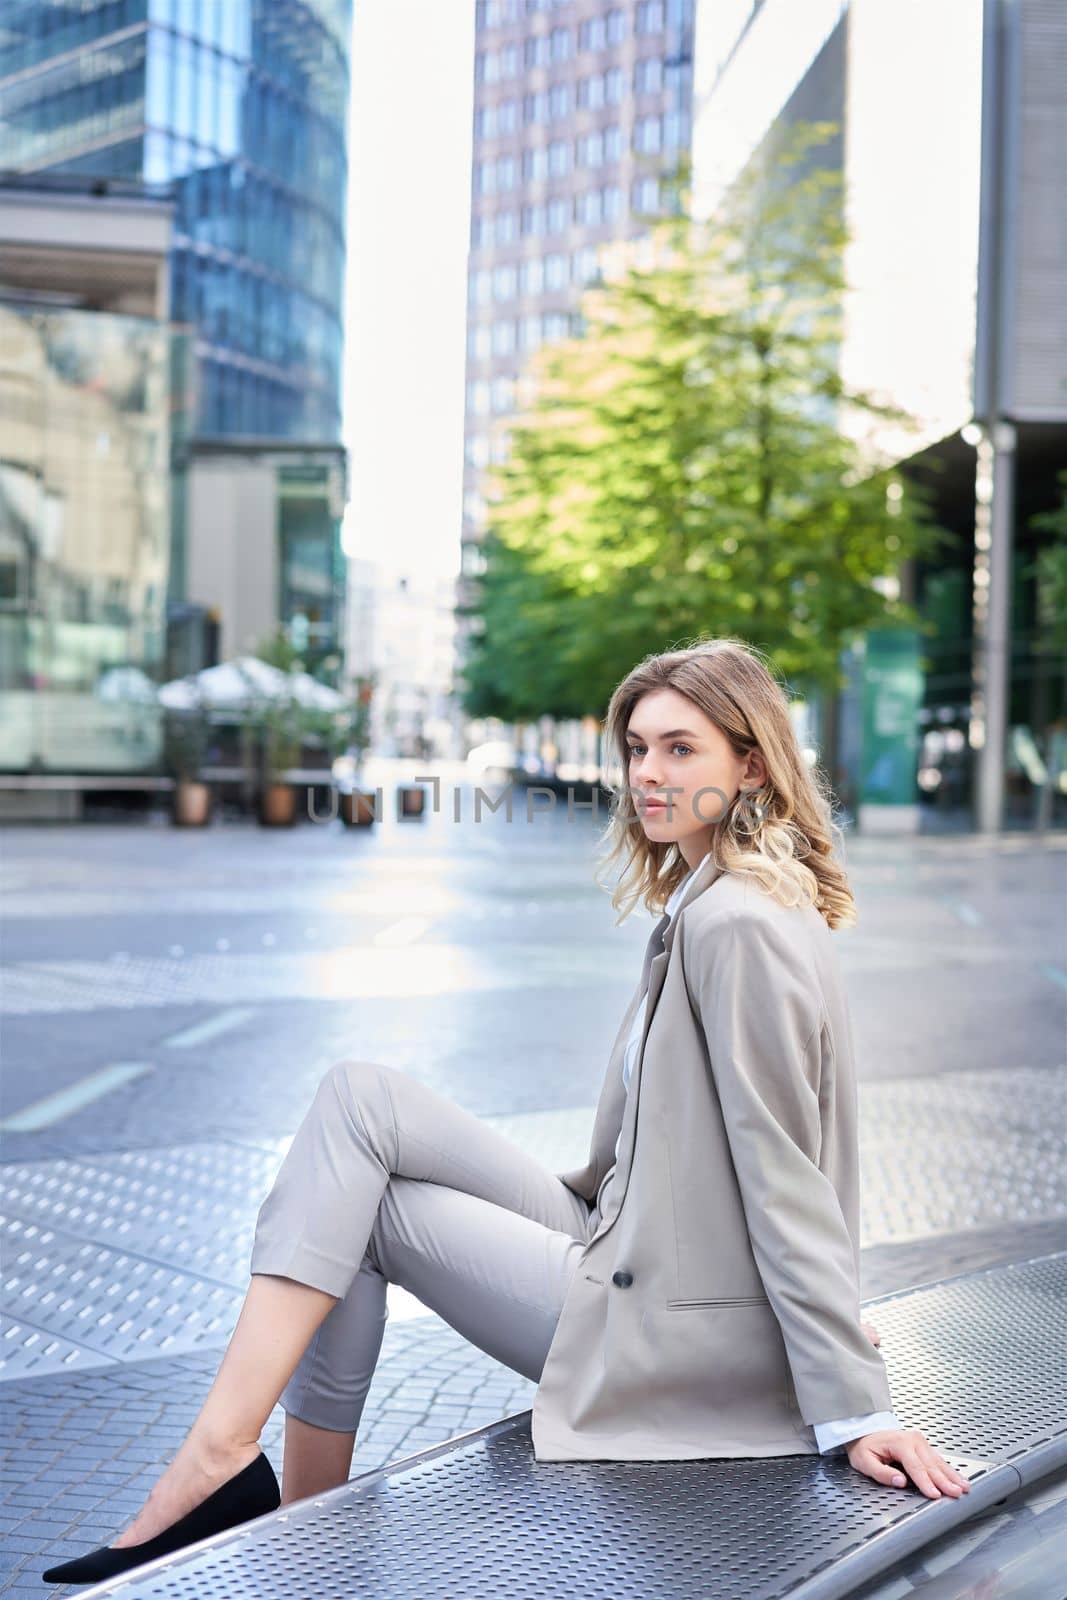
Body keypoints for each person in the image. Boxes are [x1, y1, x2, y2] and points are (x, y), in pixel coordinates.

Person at [42, 639, 969, 1586]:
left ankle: (258, 1496)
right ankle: (259, 1492)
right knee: (357, 1099)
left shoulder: (736, 925)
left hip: (667, 1327)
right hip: (622, 1239)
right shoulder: (712, 900)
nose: (648, 773)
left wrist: (854, 1403)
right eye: (637, 747)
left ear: (752, 763)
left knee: (361, 1212)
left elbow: (783, 1165)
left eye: (681, 749)